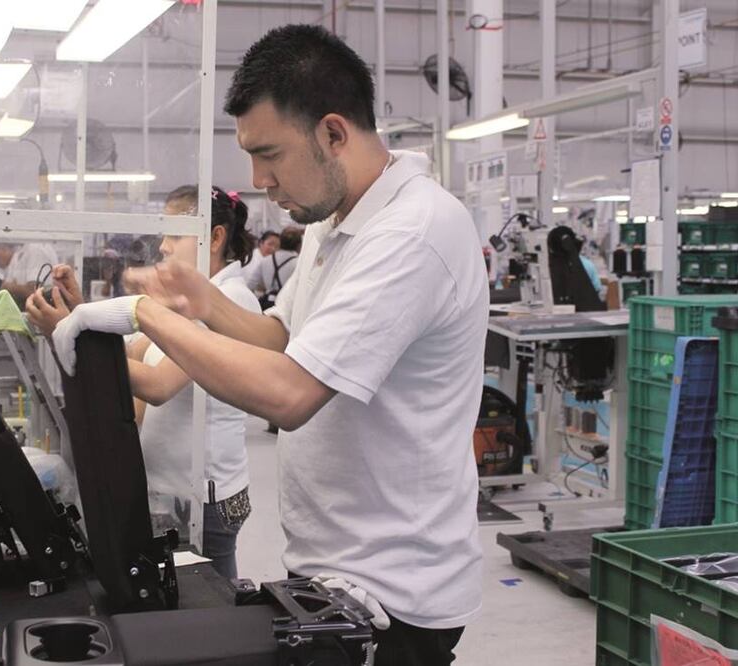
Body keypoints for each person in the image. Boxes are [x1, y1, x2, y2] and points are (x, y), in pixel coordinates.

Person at [30, 25, 487, 665]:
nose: (257, 179)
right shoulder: (338, 225)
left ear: (333, 132)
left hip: (396, 590)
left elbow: (290, 392)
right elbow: (282, 337)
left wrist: (142, 314)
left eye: (269, 154)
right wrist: (204, 301)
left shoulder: (413, 232)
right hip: (335, 566)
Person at [28, 185, 260, 580]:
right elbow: (133, 351)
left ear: (215, 238)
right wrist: (80, 313)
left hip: (204, 501)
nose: (165, 247)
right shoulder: (189, 301)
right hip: (172, 493)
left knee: (212, 605)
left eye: (175, 233)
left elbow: (157, 384)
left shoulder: (228, 303)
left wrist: (67, 331)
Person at [257, 226, 302, 310]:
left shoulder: (265, 261)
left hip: (268, 304)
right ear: (299, 245)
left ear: (280, 241)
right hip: (288, 306)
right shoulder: (299, 263)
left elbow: (251, 283)